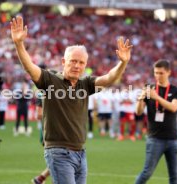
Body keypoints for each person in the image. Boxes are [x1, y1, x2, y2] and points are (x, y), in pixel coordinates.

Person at [10, 16, 132, 184]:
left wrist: (123, 63)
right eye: (73, 61)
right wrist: (19, 44)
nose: (77, 66)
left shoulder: (86, 84)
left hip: (80, 152)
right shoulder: (50, 80)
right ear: (63, 62)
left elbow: (110, 78)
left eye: (81, 62)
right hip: (58, 152)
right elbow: (30, 67)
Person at [135, 59, 177, 184]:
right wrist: (140, 100)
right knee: (146, 173)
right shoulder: (149, 88)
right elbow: (139, 112)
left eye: (161, 73)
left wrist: (157, 97)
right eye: (156, 73)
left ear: (169, 72)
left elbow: (173, 107)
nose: (158, 76)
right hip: (155, 138)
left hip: (173, 139)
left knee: (175, 177)